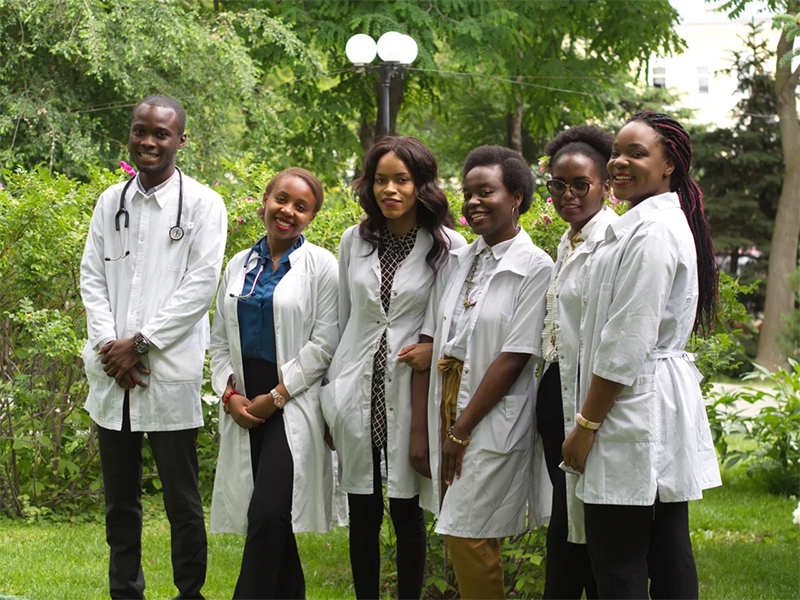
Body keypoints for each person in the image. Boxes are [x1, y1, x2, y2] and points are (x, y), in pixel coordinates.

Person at [561, 112, 722, 600]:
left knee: (619, 561)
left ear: (670, 164)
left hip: (630, 406)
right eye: (617, 152)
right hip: (645, 402)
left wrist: (586, 427)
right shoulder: (644, 226)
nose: (619, 163)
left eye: (637, 153)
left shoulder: (651, 233)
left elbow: (627, 340)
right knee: (667, 550)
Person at [80, 95, 227, 600]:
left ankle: (190, 593)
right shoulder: (109, 202)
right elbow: (92, 279)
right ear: (131, 134)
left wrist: (140, 344)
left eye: (161, 133)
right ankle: (126, 592)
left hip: (165, 373)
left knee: (182, 501)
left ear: (180, 140)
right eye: (141, 131)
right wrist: (109, 346)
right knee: (120, 503)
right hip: (113, 377)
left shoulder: (205, 205)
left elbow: (200, 285)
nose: (148, 141)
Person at [321, 136, 465, 600]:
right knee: (363, 511)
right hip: (356, 388)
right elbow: (343, 319)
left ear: (420, 184)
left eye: (401, 179)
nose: (390, 190)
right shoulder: (354, 240)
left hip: (410, 392)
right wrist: (330, 394)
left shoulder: (446, 245)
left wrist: (431, 347)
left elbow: (453, 320)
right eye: (381, 180)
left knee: (406, 510)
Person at [417, 146, 553, 600]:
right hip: (450, 403)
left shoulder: (535, 267)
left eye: (486, 192)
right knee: (467, 527)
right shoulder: (462, 257)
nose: (473, 202)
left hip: (490, 414)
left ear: (516, 197)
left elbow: (515, 355)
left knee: (469, 528)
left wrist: (461, 430)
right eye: (468, 192)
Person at [209, 167, 338, 599]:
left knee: (266, 515)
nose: (288, 211)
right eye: (282, 199)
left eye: (302, 207)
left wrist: (276, 396)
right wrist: (229, 395)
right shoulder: (237, 265)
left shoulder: (321, 266)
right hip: (245, 401)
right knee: (270, 517)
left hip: (292, 403)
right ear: (265, 200)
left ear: (312, 217)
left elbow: (324, 343)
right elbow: (219, 341)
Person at [537, 125, 619, 599]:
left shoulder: (611, 241)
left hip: (588, 396)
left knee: (589, 521)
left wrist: (587, 416)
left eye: (580, 184)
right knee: (568, 516)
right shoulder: (569, 240)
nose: (567, 195)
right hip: (555, 387)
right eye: (558, 185)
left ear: (606, 185)